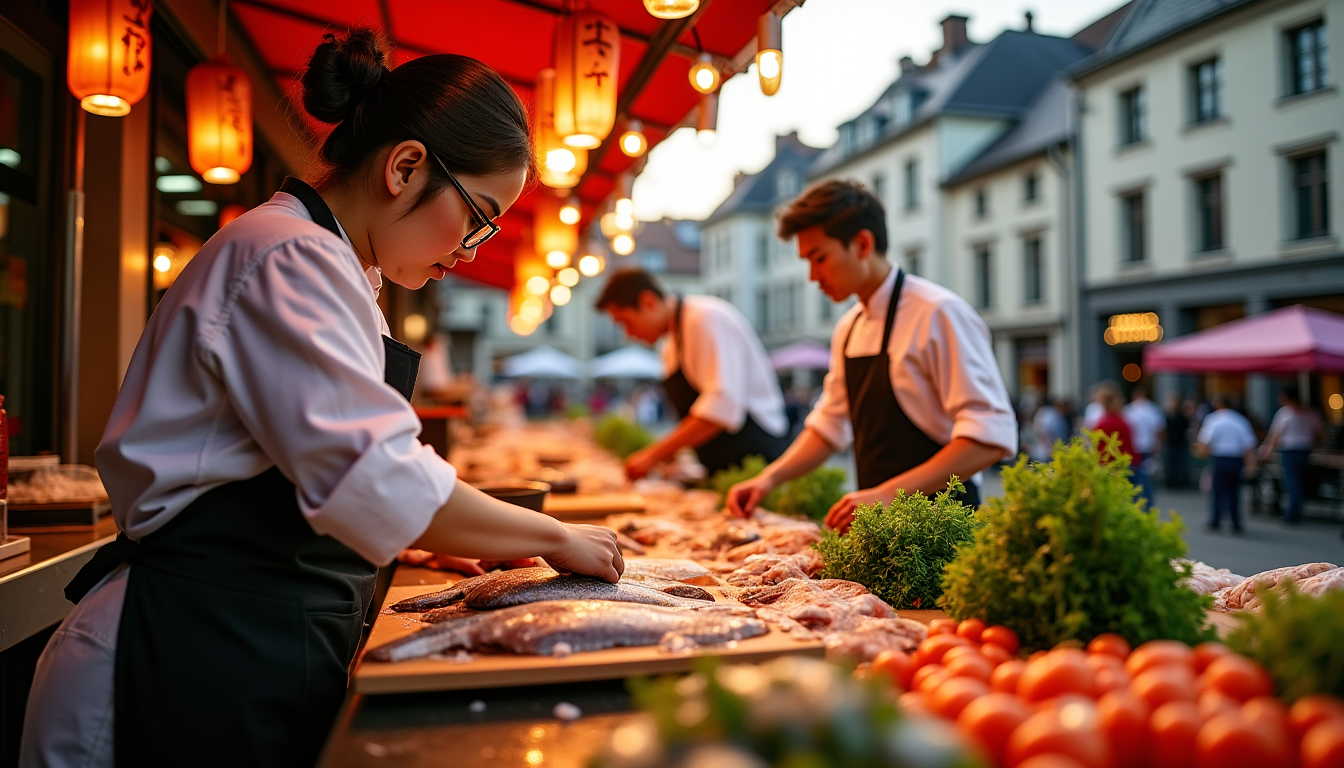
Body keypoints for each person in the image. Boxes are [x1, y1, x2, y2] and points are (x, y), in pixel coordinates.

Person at [20, 29, 623, 768]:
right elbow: (373, 474)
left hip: (238, 635)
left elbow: (298, 470)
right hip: (185, 645)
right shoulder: (288, 254)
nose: (472, 248)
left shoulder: (330, 264)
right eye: (477, 215)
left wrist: (419, 534)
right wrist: (554, 536)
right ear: (405, 167)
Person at [725, 180, 1017, 531]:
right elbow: (829, 426)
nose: (813, 276)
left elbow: (989, 439)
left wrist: (887, 494)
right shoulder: (849, 328)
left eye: (820, 258)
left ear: (863, 243)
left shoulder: (939, 314)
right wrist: (769, 479)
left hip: (943, 530)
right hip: (876, 529)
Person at [596, 268, 789, 479]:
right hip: (723, 468)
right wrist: (677, 457)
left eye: (626, 322)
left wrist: (653, 455)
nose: (628, 334)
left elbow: (722, 408)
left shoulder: (704, 319)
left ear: (648, 301)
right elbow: (695, 416)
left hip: (757, 462)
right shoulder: (670, 344)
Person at [1194, 393, 1258, 534]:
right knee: (1234, 492)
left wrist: (1201, 452)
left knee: (1217, 491)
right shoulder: (1240, 420)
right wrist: (1251, 465)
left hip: (1220, 458)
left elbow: (1204, 442)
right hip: (1235, 460)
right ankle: (1236, 521)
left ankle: (1215, 520)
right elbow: (1248, 446)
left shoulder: (1214, 420)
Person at [1260, 385, 1324, 524]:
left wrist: (1268, 450)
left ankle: (1292, 512)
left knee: (1292, 482)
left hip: (1290, 450)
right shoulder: (1311, 413)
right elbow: (1320, 433)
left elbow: (1275, 435)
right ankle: (1296, 508)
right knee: (1299, 480)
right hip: (1305, 450)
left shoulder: (1285, 413)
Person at [1123, 384, 1164, 506]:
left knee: (1131, 479)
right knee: (1145, 479)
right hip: (1147, 447)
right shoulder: (1152, 409)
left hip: (1133, 448)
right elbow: (1159, 430)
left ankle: (1133, 505)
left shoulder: (1129, 410)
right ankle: (1147, 505)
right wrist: (1157, 446)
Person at [1092, 381, 1137, 468]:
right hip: (1122, 466)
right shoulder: (1122, 422)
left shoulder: (1102, 423)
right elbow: (1129, 449)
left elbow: (1097, 450)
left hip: (1106, 468)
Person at [1163, 391, 1192, 489]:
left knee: (1181, 464)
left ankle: (1181, 482)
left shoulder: (1182, 417)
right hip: (1171, 443)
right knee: (1170, 463)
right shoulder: (1167, 416)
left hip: (1180, 443)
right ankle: (1170, 482)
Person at [1031, 397, 1070, 462]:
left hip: (1053, 448)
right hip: (1046, 449)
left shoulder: (1058, 416)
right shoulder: (1049, 414)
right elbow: (1040, 430)